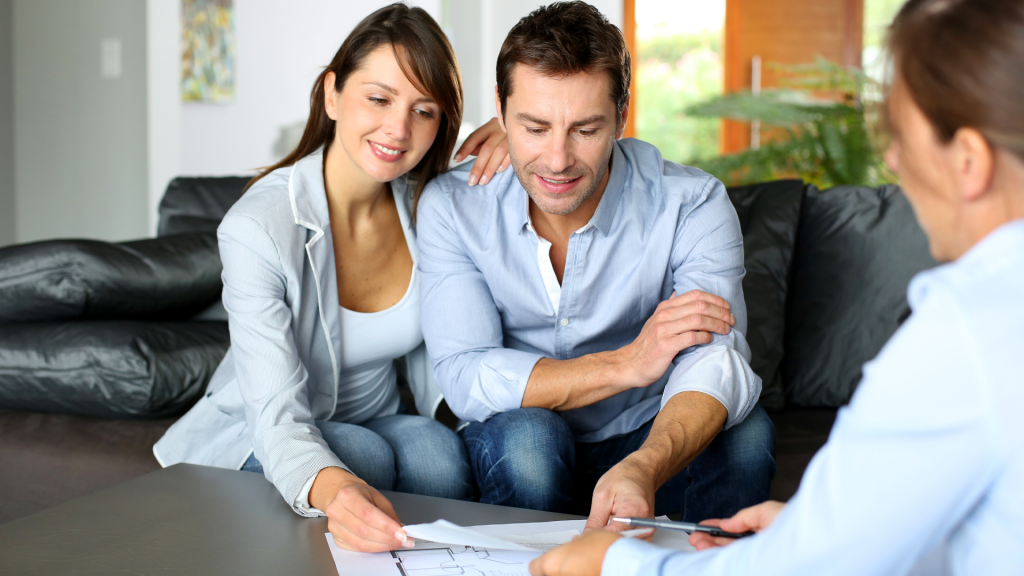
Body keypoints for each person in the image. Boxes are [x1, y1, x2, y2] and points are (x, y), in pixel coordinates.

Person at [528, 0, 1024, 574]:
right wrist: (814, 528)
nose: (890, 159)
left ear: (968, 161)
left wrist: (617, 564)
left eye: (903, 136)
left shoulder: (963, 334)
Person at [154, 4, 511, 554]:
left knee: (438, 458)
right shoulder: (257, 227)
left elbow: (546, 159)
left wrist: (516, 133)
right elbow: (275, 414)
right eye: (379, 98)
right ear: (332, 94)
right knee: (355, 457)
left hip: (383, 417)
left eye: (425, 110)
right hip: (271, 431)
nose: (399, 129)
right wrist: (336, 487)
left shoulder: (427, 198)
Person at [416, 1, 775, 528]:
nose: (558, 161)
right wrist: (627, 363)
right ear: (500, 109)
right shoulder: (454, 206)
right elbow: (465, 371)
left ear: (621, 116)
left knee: (746, 435)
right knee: (531, 441)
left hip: (647, 431)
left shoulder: (691, 203)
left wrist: (645, 467)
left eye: (585, 130)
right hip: (524, 436)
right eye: (534, 127)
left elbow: (716, 360)